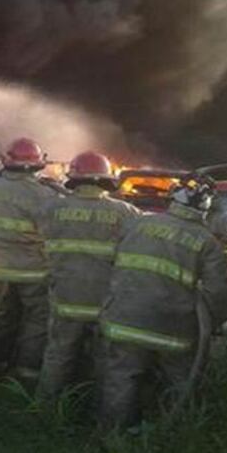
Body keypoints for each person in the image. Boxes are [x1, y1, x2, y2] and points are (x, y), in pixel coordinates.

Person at [98, 172, 227, 429]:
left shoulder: (135, 224)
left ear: (173, 197)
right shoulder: (207, 242)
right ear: (205, 206)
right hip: (173, 331)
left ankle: (113, 438)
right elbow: (219, 293)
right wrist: (213, 324)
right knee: (180, 383)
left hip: (124, 320)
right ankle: (174, 434)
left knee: (121, 378)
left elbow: (109, 263)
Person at [37, 151, 140, 401]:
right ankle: (98, 408)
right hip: (106, 301)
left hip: (66, 297)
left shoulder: (52, 208)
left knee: (59, 354)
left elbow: (43, 238)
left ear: (74, 178)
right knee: (105, 358)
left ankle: (46, 407)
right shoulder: (127, 213)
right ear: (106, 179)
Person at [0, 137, 62, 387]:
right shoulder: (44, 195)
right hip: (35, 272)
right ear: (37, 164)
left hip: (0, 270)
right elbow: (53, 231)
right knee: (36, 325)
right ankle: (26, 376)